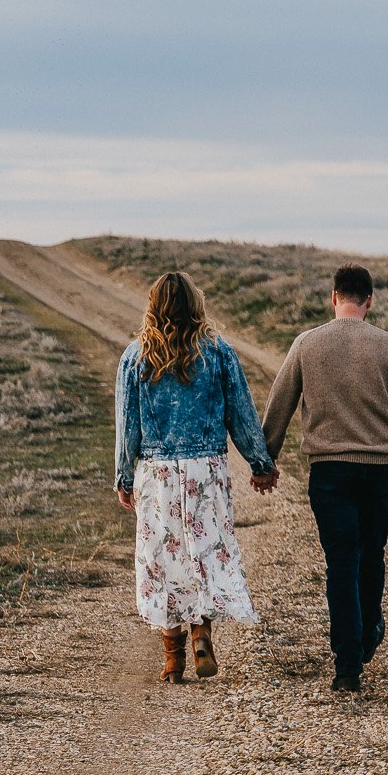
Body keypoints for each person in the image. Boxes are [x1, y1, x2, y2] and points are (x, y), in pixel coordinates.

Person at [262, 264, 388, 693]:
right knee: (371, 554)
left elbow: (279, 405)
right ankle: (368, 632)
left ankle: (347, 664)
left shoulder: (307, 344)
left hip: (329, 473)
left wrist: (267, 459)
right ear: (369, 301)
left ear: (333, 298)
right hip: (379, 473)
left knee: (341, 561)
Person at [114, 272, 279, 683]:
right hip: (206, 470)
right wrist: (260, 463)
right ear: (196, 303)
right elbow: (240, 414)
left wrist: (123, 475)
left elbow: (126, 424)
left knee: (162, 559)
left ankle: (172, 659)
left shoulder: (135, 357)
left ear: (153, 306)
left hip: (157, 473)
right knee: (205, 551)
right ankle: (201, 633)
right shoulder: (218, 352)